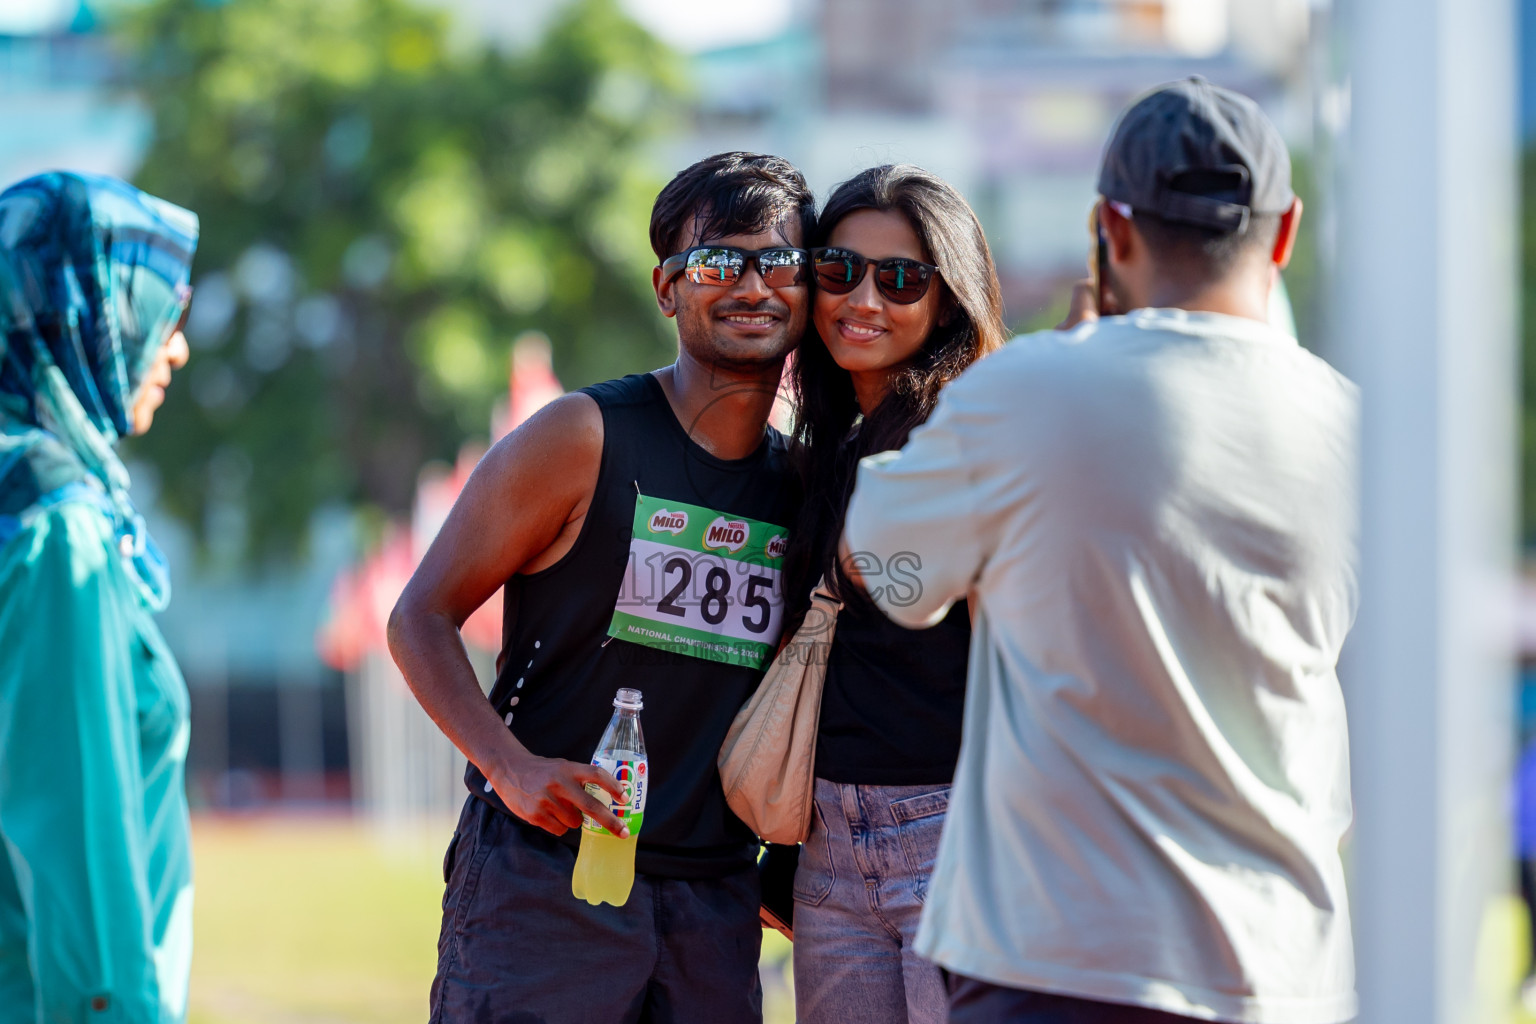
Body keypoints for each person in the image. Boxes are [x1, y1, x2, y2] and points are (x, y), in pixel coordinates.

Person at [840, 78, 1359, 1023]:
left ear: (1109, 231)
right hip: (1280, 970)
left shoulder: (1025, 392)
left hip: (1052, 963)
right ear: (1283, 237)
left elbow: (891, 572)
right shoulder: (1356, 431)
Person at [388, 151, 815, 1024]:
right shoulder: (580, 437)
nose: (750, 286)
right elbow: (420, 617)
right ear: (667, 289)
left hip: (715, 902)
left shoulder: (806, 489)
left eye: (777, 262)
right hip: (544, 884)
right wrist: (506, 766)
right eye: (716, 262)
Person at [779, 164, 1005, 1024]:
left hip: (956, 838)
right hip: (828, 849)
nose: (862, 298)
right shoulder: (826, 442)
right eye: (838, 270)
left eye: (901, 278)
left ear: (947, 300)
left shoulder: (972, 431)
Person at [0, 172, 198, 1023]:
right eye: (159, 312)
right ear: (88, 316)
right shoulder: (57, 532)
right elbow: (79, 851)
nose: (176, 347)